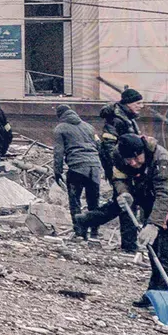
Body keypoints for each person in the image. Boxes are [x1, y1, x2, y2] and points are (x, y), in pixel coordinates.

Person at [110, 134, 168, 307]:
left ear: (143, 151)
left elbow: (166, 194)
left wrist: (154, 224)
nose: (133, 163)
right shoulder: (118, 156)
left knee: (167, 251)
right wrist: (124, 192)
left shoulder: (161, 159)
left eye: (136, 158)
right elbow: (119, 177)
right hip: (149, 203)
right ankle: (154, 294)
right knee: (153, 250)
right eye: (129, 159)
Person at [98, 88, 144, 251]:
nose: (141, 106)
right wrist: (121, 166)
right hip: (121, 170)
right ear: (128, 103)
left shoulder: (127, 118)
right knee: (127, 203)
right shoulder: (116, 120)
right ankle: (129, 245)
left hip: (127, 167)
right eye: (138, 103)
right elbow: (109, 146)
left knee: (122, 203)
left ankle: (87, 220)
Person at [51, 103, 102, 242]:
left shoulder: (60, 128)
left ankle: (79, 233)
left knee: (75, 201)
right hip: (95, 167)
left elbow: (58, 152)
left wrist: (57, 171)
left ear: (59, 115)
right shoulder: (89, 127)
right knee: (94, 202)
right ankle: (95, 233)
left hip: (77, 168)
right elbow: (99, 145)